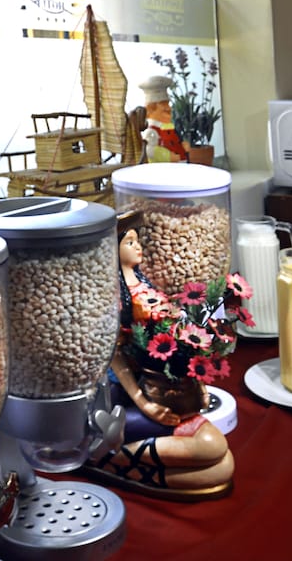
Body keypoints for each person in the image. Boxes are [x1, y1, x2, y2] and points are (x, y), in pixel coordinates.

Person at [82, 213, 234, 499]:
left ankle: (119, 459)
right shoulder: (113, 296)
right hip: (127, 390)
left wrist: (196, 384)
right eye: (129, 242)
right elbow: (114, 354)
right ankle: (107, 455)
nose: (138, 247)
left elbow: (173, 334)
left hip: (161, 385)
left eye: (138, 241)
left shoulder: (144, 284)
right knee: (213, 451)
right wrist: (143, 402)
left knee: (220, 462)